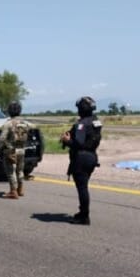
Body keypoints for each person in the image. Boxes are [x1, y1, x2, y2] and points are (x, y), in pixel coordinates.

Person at [60, 96, 102, 225]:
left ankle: (84, 215)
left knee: (82, 188)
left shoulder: (81, 124)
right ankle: (82, 213)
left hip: (81, 158)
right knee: (84, 186)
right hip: (92, 157)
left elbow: (78, 143)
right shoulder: (96, 121)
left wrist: (67, 141)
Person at [0, 101, 32, 199]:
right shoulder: (25, 124)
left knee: (10, 171)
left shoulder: (8, 124)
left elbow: (2, 138)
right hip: (22, 150)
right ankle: (20, 189)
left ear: (9, 111)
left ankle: (13, 191)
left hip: (10, 151)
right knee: (20, 170)